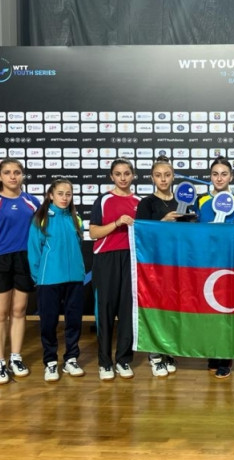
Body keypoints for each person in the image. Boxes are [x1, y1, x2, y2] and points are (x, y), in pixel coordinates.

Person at [0, 159, 40, 384]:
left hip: (24, 259)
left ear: (22, 175)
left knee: (19, 310)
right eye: (7, 172)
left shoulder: (32, 202)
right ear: (0, 176)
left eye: (17, 172)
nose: (13, 176)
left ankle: (16, 357)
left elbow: (38, 232)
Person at [193, 156, 234, 379]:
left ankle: (225, 356)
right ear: (210, 176)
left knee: (228, 309)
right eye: (215, 174)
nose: (219, 178)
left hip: (231, 262)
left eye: (224, 174)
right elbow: (194, 230)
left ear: (231, 177)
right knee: (210, 309)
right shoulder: (200, 200)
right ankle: (213, 352)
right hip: (207, 261)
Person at [27, 179, 86, 382]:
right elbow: (34, 250)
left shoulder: (76, 219)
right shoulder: (41, 218)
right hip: (49, 280)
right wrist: (39, 277)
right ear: (51, 195)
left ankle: (71, 358)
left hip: (75, 279)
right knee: (49, 323)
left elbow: (78, 245)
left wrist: (79, 271)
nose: (64, 198)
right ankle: (50, 362)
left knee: (74, 321)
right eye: (60, 193)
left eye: (68, 194)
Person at [89, 159, 141, 381]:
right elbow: (93, 232)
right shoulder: (103, 200)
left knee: (128, 310)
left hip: (131, 259)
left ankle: (123, 360)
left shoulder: (139, 202)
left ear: (133, 175)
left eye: (126, 173)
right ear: (112, 176)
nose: (123, 178)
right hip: (106, 258)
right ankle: (104, 362)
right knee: (105, 310)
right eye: (118, 174)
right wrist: (117, 223)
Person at [135, 156, 184, 377]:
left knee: (173, 309)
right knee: (156, 308)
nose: (163, 179)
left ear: (173, 176)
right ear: (152, 178)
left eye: (167, 175)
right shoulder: (146, 203)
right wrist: (163, 222)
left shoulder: (182, 202)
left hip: (177, 263)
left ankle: (168, 350)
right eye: (158, 175)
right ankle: (155, 354)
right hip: (154, 264)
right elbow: (141, 233)